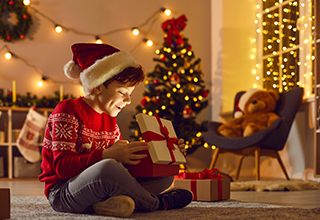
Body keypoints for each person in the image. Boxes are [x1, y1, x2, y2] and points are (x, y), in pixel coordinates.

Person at [38, 43, 193, 218]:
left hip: (97, 189)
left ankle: (106, 205)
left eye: (130, 94)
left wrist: (163, 152)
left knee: (165, 175)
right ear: (97, 86)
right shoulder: (67, 110)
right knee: (108, 167)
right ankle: (156, 203)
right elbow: (62, 168)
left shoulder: (109, 119)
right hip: (63, 193)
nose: (128, 100)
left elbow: (121, 169)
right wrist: (107, 155)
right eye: (122, 92)